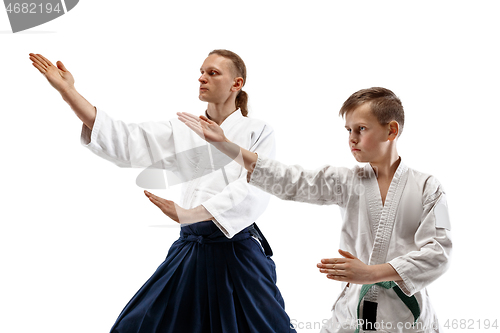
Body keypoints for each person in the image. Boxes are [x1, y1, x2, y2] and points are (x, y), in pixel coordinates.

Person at [29, 50, 296, 333]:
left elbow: (255, 187)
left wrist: (191, 213)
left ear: (236, 83)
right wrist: (69, 92)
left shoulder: (257, 131)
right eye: (202, 71)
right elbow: (127, 139)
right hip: (192, 247)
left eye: (213, 73)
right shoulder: (184, 129)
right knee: (141, 324)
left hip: (237, 251)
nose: (201, 77)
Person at [178, 87, 453, 333]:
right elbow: (292, 180)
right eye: (348, 130)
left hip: (405, 319)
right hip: (350, 316)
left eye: (361, 129)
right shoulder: (346, 181)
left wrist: (371, 273)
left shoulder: (430, 188)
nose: (352, 139)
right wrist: (227, 146)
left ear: (391, 130)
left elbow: (439, 252)